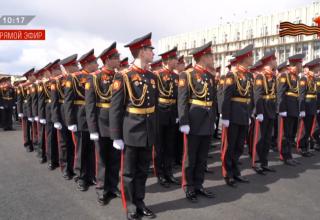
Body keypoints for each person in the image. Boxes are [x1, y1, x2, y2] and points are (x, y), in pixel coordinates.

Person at [110, 33, 157, 220]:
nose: (153, 53)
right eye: (150, 50)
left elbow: (154, 106)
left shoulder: (152, 76)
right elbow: (116, 108)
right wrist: (116, 136)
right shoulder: (123, 76)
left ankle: (140, 201)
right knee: (129, 172)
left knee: (143, 170)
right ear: (142, 51)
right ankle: (130, 206)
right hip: (131, 129)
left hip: (147, 129)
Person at [178, 41, 216, 202]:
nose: (213, 58)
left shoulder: (209, 76)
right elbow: (182, 100)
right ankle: (188, 186)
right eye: (210, 55)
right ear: (203, 57)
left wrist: (213, 119)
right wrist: (183, 121)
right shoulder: (187, 75)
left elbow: (212, 100)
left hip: (207, 119)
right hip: (193, 119)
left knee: (202, 156)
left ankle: (199, 184)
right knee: (191, 156)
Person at [85, 42, 121, 205]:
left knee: (115, 156)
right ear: (108, 59)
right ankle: (101, 188)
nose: (119, 60)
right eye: (116, 57)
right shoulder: (94, 77)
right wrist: (92, 128)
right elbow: (90, 105)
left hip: (117, 121)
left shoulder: (120, 76)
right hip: (101, 121)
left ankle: (113, 185)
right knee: (102, 158)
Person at [221, 44, 254, 187]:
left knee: (240, 145)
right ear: (245, 58)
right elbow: (226, 97)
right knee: (230, 145)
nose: (253, 59)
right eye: (251, 56)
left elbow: (250, 96)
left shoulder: (249, 75)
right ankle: (228, 174)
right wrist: (225, 116)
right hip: (233, 113)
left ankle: (236, 171)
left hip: (244, 113)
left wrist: (250, 113)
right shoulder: (232, 75)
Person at [154, 47, 180, 188]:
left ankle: (169, 173)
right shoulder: (156, 75)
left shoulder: (176, 77)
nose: (177, 61)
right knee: (159, 147)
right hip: (160, 113)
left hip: (171, 114)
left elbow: (177, 98)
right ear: (168, 60)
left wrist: (176, 115)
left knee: (170, 145)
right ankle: (160, 174)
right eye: (175, 59)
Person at [277, 54, 305, 166]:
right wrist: (282, 109)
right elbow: (280, 93)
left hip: (294, 110)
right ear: (295, 65)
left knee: (291, 135)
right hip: (287, 110)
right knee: (285, 134)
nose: (301, 66)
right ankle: (284, 155)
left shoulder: (297, 78)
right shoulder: (285, 76)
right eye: (300, 64)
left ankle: (289, 155)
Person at [252, 51, 277, 174]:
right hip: (263, 109)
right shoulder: (260, 77)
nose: (276, 62)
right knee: (260, 138)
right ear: (270, 61)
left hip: (271, 109)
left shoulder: (273, 76)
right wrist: (259, 112)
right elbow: (258, 95)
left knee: (267, 138)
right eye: (274, 60)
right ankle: (256, 162)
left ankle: (264, 162)